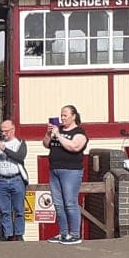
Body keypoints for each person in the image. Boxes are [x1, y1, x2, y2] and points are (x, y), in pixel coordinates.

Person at [45, 104, 89, 244]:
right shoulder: (59, 130)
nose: (62, 118)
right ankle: (63, 233)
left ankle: (74, 234)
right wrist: (48, 134)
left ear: (73, 116)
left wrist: (58, 135)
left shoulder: (79, 132)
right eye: (61, 115)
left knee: (70, 202)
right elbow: (46, 144)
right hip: (54, 169)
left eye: (65, 115)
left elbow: (74, 147)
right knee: (58, 204)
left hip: (71, 171)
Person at [0, 119, 28, 241]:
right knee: (5, 210)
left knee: (19, 209)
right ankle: (8, 235)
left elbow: (20, 157)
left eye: (6, 131)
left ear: (13, 130)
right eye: (2, 131)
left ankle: (19, 234)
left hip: (16, 179)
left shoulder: (20, 143)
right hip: (1, 180)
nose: (4, 134)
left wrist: (4, 149)